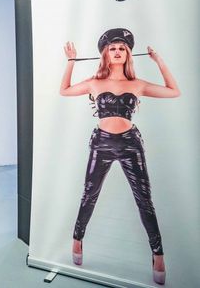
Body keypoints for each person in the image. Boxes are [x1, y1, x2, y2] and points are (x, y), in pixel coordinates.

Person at [60, 28, 180, 285]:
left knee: (144, 200)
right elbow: (65, 90)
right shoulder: (95, 82)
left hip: (130, 144)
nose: (117, 52)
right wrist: (71, 61)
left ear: (128, 54)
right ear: (105, 53)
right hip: (101, 143)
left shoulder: (137, 84)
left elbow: (174, 91)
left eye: (122, 48)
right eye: (112, 48)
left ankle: (158, 254)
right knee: (89, 194)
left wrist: (158, 60)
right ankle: (77, 239)